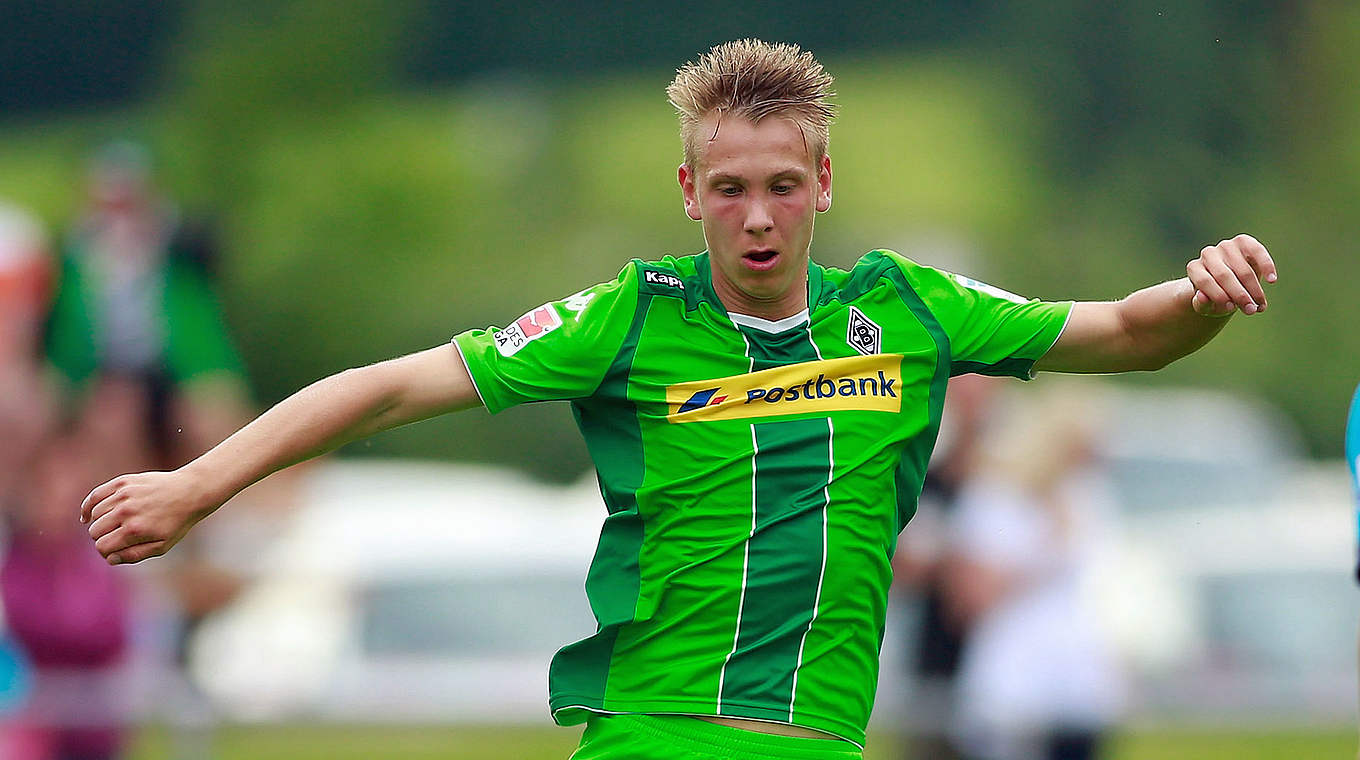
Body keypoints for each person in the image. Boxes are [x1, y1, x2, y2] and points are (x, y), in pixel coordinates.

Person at [80, 40, 1278, 760]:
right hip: (656, 736)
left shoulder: (909, 310)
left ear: (821, 184)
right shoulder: (632, 318)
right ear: (688, 192)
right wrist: (196, 483)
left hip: (817, 738)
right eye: (728, 189)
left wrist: (1204, 294)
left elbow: (1127, 333)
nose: (756, 217)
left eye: (778, 187)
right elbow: (388, 388)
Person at [942, 382, 1123, 760]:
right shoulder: (994, 496)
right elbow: (971, 597)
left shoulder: (1085, 494)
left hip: (1078, 679)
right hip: (1012, 679)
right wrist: (1042, 548)